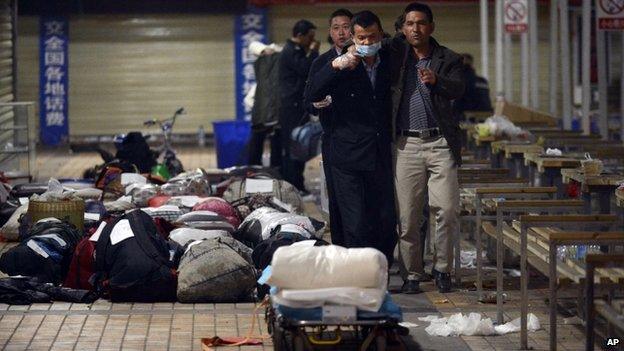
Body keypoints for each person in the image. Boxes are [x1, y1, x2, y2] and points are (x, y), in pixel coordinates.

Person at [306, 10, 397, 265]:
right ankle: (355, 269)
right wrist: (337, 66)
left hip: (379, 152)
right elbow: (311, 95)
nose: (367, 43)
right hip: (345, 152)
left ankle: (381, 267)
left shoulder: (388, 59)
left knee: (384, 218)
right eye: (361, 38)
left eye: (372, 37)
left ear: (381, 36)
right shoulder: (338, 64)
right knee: (352, 218)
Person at [391, 2, 465, 294]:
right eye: (410, 24)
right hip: (406, 144)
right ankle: (412, 274)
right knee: (407, 216)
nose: (415, 29)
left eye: (421, 23)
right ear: (403, 27)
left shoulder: (448, 58)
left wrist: (438, 81)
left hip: (440, 143)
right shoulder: (396, 58)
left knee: (446, 209)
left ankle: (443, 268)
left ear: (431, 27)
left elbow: (458, 88)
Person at [304, 8, 353, 246]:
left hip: (365, 140)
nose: (342, 32)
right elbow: (308, 100)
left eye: (346, 27)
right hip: (334, 137)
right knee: (337, 197)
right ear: (330, 33)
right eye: (336, 28)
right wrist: (317, 103)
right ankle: (341, 248)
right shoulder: (321, 62)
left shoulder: (364, 59)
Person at [278, 20, 320, 193]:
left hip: (297, 105)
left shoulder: (298, 50)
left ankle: (297, 183)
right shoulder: (291, 51)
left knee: (299, 146)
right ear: (300, 35)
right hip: (291, 107)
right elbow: (306, 69)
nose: (312, 40)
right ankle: (293, 184)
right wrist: (314, 52)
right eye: (310, 37)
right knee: (293, 147)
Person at [247, 42, 283, 168]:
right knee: (261, 143)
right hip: (266, 111)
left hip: (269, 111)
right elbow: (253, 46)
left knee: (272, 143)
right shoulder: (266, 58)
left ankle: (268, 172)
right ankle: (257, 171)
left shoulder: (279, 57)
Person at [453, 53, 493, 120]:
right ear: (471, 65)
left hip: (469, 115)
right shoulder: (483, 81)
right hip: (486, 113)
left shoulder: (459, 79)